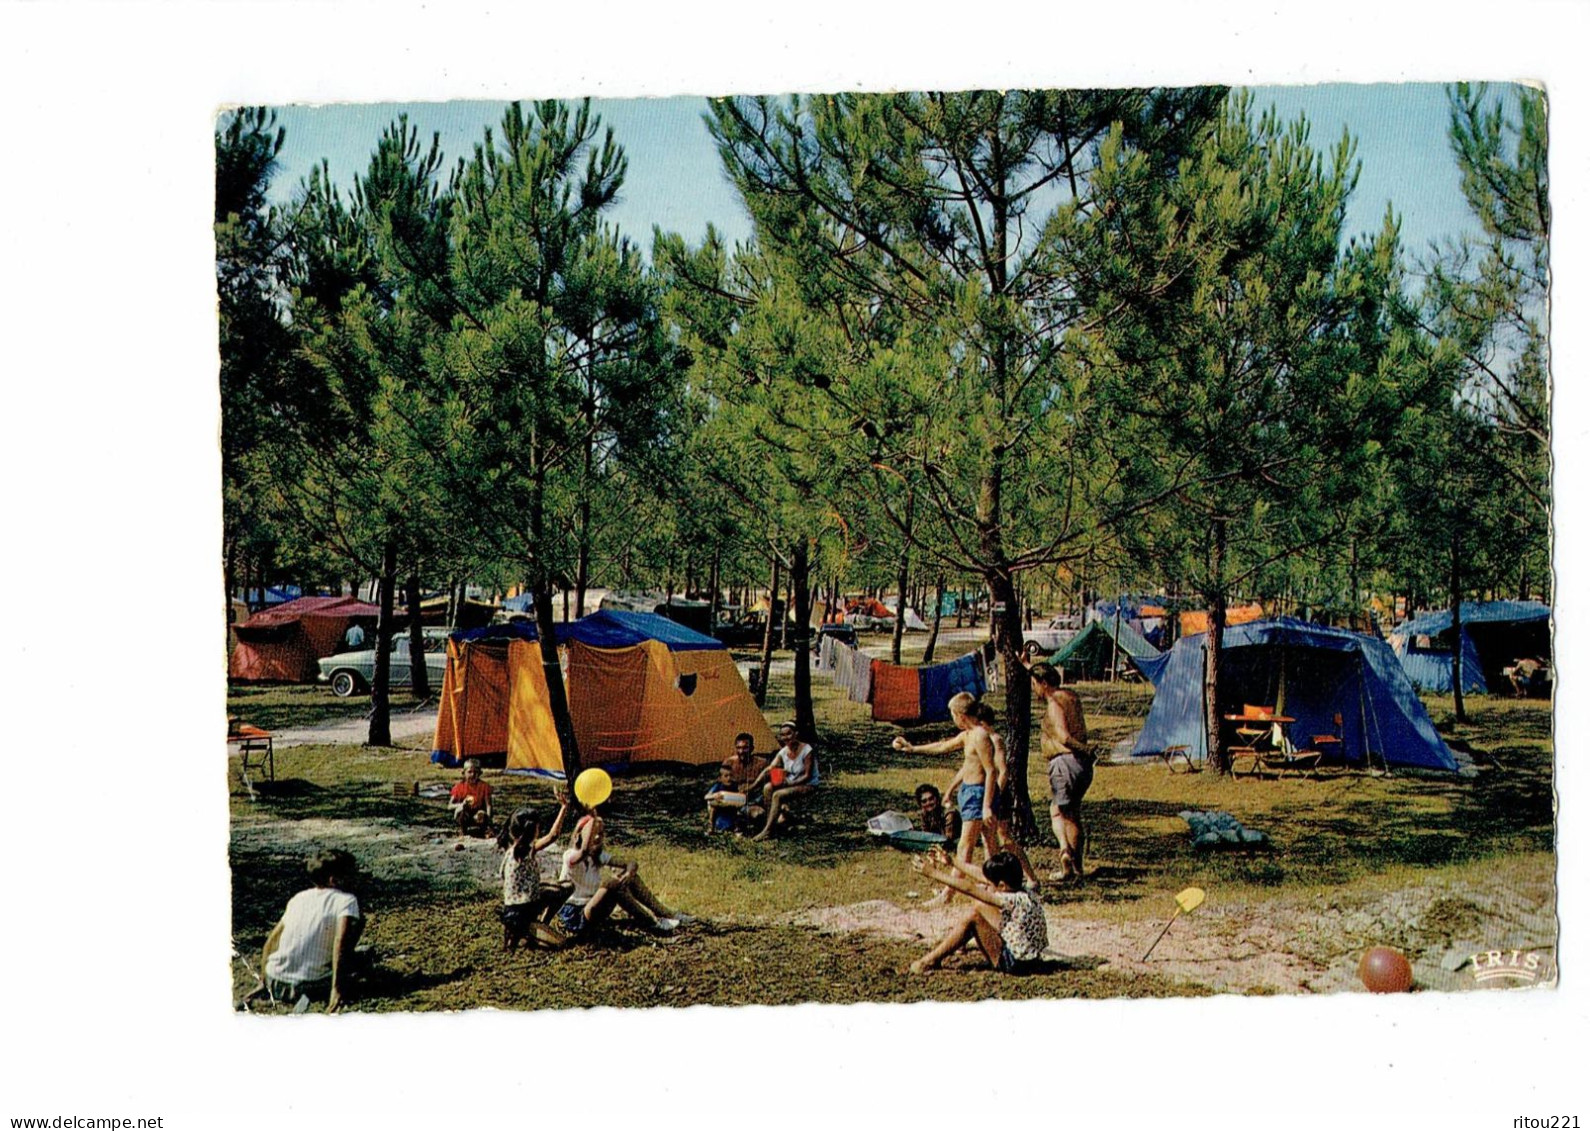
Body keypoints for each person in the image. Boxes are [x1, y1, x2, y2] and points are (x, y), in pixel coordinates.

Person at [891, 693, 994, 873]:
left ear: (960, 715)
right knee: (990, 845)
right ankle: (994, 885)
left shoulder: (980, 736)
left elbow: (991, 770)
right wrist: (913, 748)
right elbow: (942, 746)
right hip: (968, 791)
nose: (952, 719)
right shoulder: (967, 735)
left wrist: (986, 806)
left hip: (977, 794)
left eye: (952, 715)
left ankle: (949, 893)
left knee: (964, 847)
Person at [907, 848, 1047, 975]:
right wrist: (952, 861)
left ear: (1002, 885)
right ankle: (957, 941)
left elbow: (970, 889)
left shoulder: (1010, 900)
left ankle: (930, 960)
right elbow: (983, 876)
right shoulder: (1025, 893)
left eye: (991, 883)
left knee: (974, 916)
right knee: (979, 907)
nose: (987, 883)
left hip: (1017, 964)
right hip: (1033, 958)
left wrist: (933, 873)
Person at [557, 807, 690, 940]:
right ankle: (652, 923)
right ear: (578, 835)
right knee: (611, 884)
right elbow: (584, 851)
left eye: (601, 833)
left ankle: (667, 914)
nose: (597, 837)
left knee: (627, 879)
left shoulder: (598, 856)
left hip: (593, 909)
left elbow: (631, 863)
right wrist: (592, 817)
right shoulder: (570, 856)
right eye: (592, 833)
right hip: (575, 915)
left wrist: (629, 873)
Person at [259, 849, 364, 1011]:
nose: (356, 877)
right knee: (364, 956)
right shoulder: (347, 901)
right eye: (351, 873)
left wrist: (263, 979)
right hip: (305, 986)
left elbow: (271, 941)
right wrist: (337, 989)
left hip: (274, 981)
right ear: (334, 880)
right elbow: (340, 943)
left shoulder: (299, 898)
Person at [1025, 660, 1093, 884]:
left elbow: (1064, 737)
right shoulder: (1069, 695)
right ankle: (1070, 859)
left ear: (1043, 683)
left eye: (1034, 684)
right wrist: (1028, 665)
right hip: (1078, 765)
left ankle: (1073, 868)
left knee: (1068, 816)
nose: (1033, 689)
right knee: (1060, 811)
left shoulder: (1054, 703)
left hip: (1065, 763)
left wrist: (1086, 750)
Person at [972, 701, 1042, 891]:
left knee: (1005, 839)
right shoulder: (983, 739)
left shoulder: (995, 740)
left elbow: (1003, 771)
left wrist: (995, 795)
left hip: (998, 794)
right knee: (989, 839)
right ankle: (992, 878)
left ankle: (1031, 877)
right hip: (990, 793)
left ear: (982, 722)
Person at [496, 794, 573, 950]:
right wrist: (564, 808)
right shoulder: (525, 851)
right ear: (532, 831)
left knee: (563, 887)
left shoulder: (513, 848)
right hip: (522, 912)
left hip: (521, 905)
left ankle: (538, 925)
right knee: (561, 942)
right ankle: (530, 930)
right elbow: (553, 835)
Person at [746, 722, 820, 841]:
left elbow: (807, 776)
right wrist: (753, 786)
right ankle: (771, 823)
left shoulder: (806, 750)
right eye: (782, 735)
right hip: (790, 782)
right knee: (767, 788)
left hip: (807, 784)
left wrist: (789, 783)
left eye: (789, 734)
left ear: (796, 734)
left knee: (778, 795)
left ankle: (768, 831)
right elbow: (769, 769)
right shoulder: (784, 751)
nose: (786, 738)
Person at [450, 758, 494, 838]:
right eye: (470, 772)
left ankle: (484, 830)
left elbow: (488, 805)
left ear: (480, 773)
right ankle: (463, 830)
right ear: (464, 773)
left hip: (478, 814)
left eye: (476, 772)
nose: (473, 775)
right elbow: (450, 806)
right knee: (462, 812)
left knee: (481, 815)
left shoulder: (484, 787)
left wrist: (489, 820)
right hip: (465, 814)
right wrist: (461, 804)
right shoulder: (459, 787)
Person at [915, 783, 961, 848]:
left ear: (937, 799)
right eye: (924, 801)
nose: (928, 803)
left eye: (931, 799)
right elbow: (925, 836)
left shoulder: (949, 813)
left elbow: (948, 839)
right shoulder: (924, 814)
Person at [704, 764, 747, 833]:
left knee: (738, 811)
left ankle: (736, 827)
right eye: (726, 776)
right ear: (720, 778)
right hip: (720, 811)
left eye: (731, 776)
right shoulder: (718, 786)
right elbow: (706, 796)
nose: (729, 778)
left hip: (730, 811)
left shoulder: (734, 786)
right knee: (713, 806)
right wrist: (714, 796)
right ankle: (711, 825)